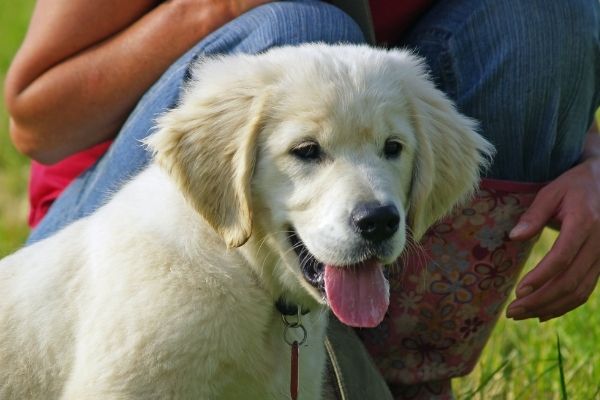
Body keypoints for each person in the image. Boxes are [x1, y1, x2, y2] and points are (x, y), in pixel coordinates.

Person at [4, 0, 599, 398]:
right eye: (309, 152)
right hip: (128, 235)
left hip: (287, 279)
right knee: (302, 24)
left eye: (393, 150)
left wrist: (593, 160)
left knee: (545, 12)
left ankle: (402, 375)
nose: (374, 202)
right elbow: (31, 119)